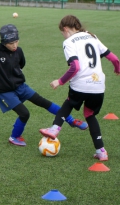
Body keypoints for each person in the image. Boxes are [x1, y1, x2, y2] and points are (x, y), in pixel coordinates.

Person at [0, 24, 88, 147]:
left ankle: (71, 120)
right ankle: (14, 137)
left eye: (16, 42)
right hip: (4, 92)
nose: (14, 46)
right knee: (24, 113)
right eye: (11, 43)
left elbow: (21, 64)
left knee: (44, 102)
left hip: (21, 87)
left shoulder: (18, 51)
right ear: (3, 41)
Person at [39, 15, 120, 161]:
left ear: (65, 29)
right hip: (98, 86)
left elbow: (75, 67)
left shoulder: (68, 42)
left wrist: (60, 81)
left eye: (61, 33)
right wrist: (117, 69)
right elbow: (114, 59)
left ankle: (54, 129)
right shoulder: (92, 36)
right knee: (90, 115)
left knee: (69, 102)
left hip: (81, 84)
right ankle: (101, 151)